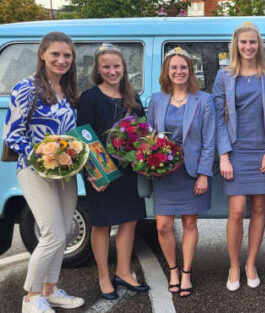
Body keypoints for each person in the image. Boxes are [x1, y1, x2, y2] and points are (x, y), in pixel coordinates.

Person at [2, 31, 85, 313]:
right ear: (42, 54)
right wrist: (43, 157)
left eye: (67, 56)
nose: (61, 60)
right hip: (35, 171)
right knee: (52, 234)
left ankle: (50, 290)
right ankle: (31, 297)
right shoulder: (26, 87)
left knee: (68, 230)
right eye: (56, 54)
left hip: (65, 174)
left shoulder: (70, 91)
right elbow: (12, 134)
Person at [76, 43, 150, 300]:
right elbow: (83, 136)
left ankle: (123, 271)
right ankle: (103, 275)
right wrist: (96, 173)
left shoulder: (132, 96)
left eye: (116, 66)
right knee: (102, 223)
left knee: (129, 221)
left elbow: (142, 130)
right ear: (98, 69)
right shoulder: (90, 98)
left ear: (123, 68)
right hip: (101, 172)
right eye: (106, 67)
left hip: (128, 170)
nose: (112, 71)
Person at [212, 21, 265, 291]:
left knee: (259, 209)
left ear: (259, 45)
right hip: (236, 151)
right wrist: (224, 155)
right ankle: (234, 265)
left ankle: (251, 263)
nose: (248, 46)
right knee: (237, 211)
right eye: (243, 42)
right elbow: (217, 118)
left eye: (253, 42)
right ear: (236, 45)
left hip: (263, 150)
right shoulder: (224, 76)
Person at [147, 47, 216, 298]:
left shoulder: (204, 100)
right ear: (167, 71)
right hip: (164, 172)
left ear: (191, 70)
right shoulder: (157, 99)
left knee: (190, 223)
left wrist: (203, 174)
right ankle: (172, 270)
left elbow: (209, 140)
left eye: (183, 67)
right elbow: (150, 136)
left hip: (191, 171)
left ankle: (186, 272)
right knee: (163, 226)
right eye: (174, 67)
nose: (179, 71)